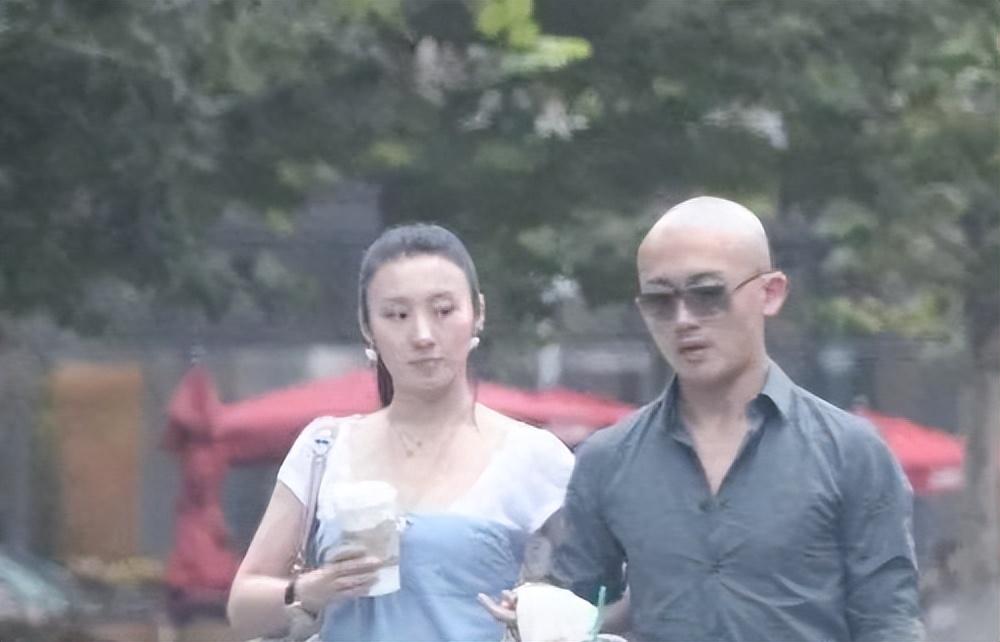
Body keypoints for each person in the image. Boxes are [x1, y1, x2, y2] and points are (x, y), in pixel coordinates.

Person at [483, 196, 923, 641]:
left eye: (708, 294)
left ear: (770, 292)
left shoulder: (851, 452)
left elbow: (888, 622)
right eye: (660, 301)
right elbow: (575, 612)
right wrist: (535, 613)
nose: (683, 319)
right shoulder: (608, 460)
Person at [227, 224, 574, 641]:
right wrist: (310, 591)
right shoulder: (323, 449)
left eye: (443, 310)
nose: (422, 335)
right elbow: (242, 607)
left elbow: (599, 600)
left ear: (478, 312)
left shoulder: (535, 456)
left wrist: (540, 610)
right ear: (367, 326)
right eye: (397, 315)